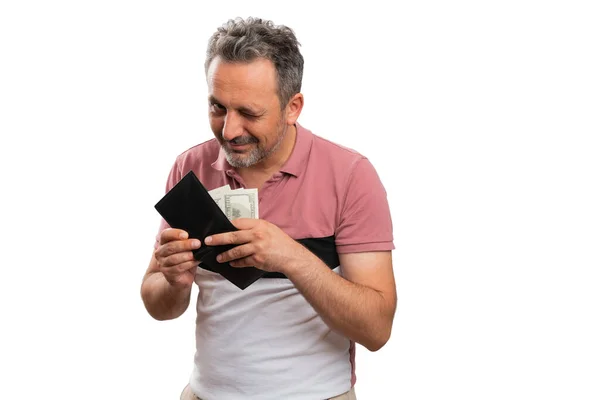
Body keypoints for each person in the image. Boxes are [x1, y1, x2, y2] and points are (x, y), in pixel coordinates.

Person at [140, 16, 397, 400]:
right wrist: (174, 283)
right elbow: (158, 303)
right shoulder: (188, 168)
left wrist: (291, 257)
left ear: (293, 107)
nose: (228, 130)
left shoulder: (351, 176)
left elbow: (376, 330)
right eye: (217, 107)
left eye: (249, 113)